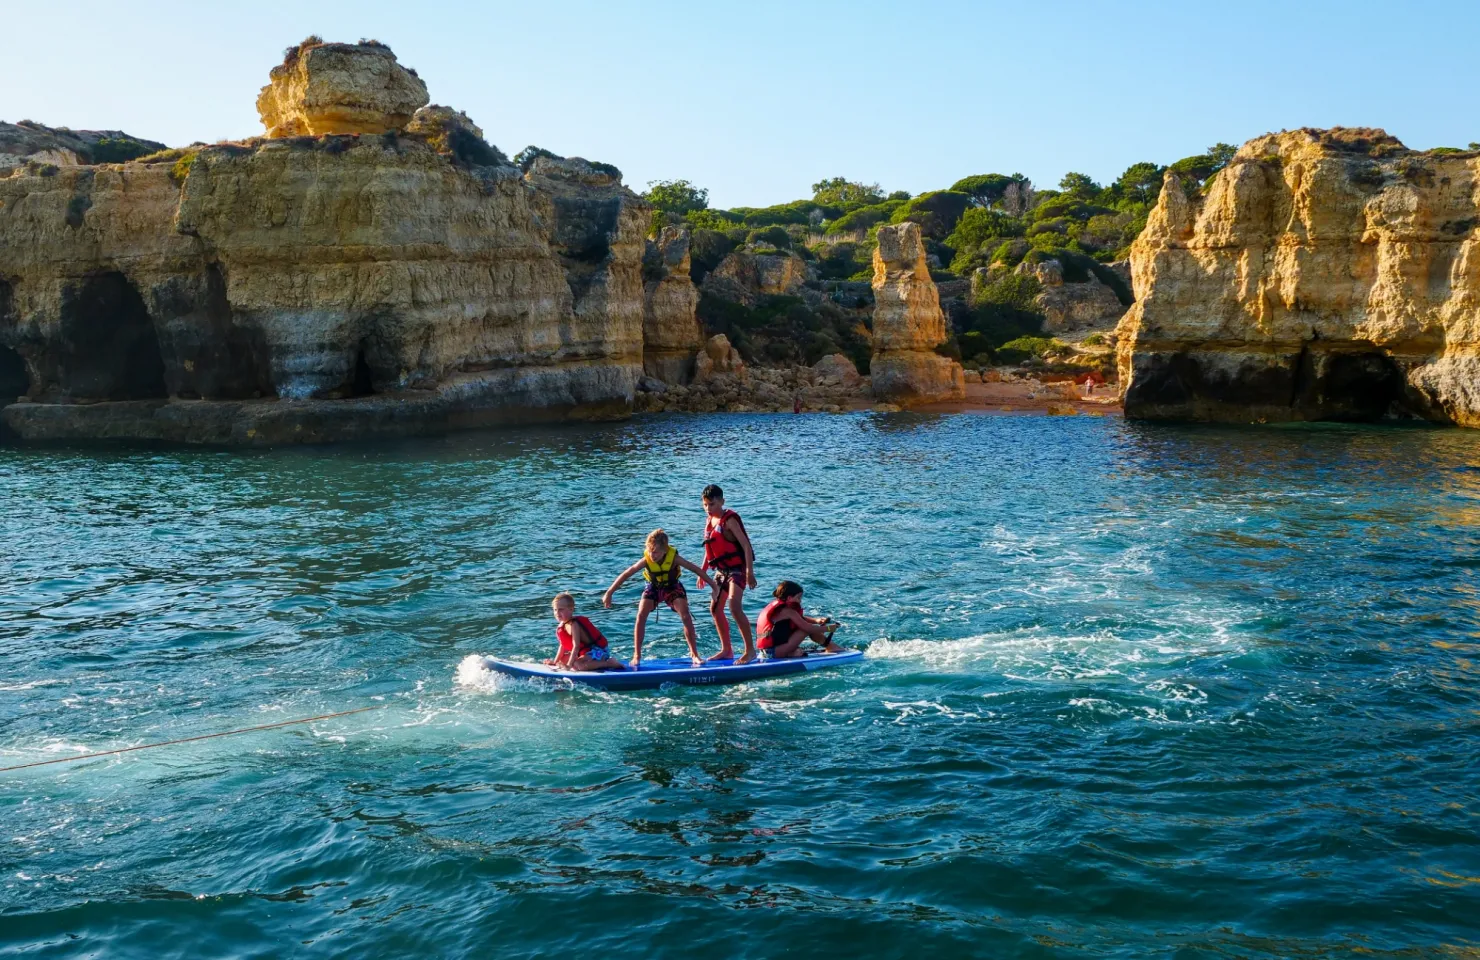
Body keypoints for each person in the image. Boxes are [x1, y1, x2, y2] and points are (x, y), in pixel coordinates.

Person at [603, 529, 711, 667]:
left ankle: (694, 654)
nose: (652, 555)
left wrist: (714, 586)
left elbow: (696, 569)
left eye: (656, 552)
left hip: (672, 586)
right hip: (653, 587)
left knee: (685, 615)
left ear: (665, 551)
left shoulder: (674, 558)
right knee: (641, 615)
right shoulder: (646, 559)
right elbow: (626, 574)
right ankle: (637, 654)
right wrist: (609, 592)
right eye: (650, 551)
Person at [699, 484, 758, 663]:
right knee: (715, 609)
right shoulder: (709, 521)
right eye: (706, 505)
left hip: (737, 570)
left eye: (712, 504)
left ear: (722, 502)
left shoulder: (729, 520)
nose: (709, 508)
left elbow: (746, 546)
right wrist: (702, 572)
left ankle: (750, 651)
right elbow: (710, 549)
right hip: (721, 571)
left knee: (734, 607)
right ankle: (727, 649)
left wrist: (750, 573)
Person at [755, 581, 845, 660]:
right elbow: (807, 628)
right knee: (805, 629)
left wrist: (816, 621)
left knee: (808, 627)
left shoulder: (780, 609)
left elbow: (799, 618)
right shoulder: (788, 611)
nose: (800, 601)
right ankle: (831, 647)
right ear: (789, 598)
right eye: (798, 598)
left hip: (765, 652)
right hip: (774, 653)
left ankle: (793, 653)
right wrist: (829, 629)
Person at [547, 593, 625, 671]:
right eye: (555, 610)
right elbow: (562, 646)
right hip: (586, 652)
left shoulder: (574, 624)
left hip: (598, 650)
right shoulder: (562, 625)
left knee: (578, 665)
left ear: (571, 609)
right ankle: (590, 662)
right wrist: (555, 662)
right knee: (563, 660)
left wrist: (569, 665)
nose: (557, 613)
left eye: (561, 609)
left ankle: (608, 663)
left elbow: (576, 646)